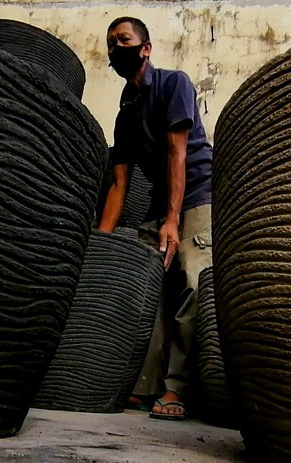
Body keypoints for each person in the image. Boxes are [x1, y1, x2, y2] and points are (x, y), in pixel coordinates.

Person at [98, 16, 213, 421]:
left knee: (192, 278)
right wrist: (102, 244)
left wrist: (172, 220)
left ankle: (176, 388)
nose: (116, 48)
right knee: (145, 283)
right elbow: (119, 184)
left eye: (124, 40)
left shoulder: (174, 83)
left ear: (145, 48)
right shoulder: (125, 113)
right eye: (111, 43)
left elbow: (176, 154)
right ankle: (145, 386)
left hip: (197, 192)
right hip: (160, 201)